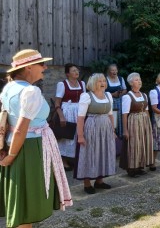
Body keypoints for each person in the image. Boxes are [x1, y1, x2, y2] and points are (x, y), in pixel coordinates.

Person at [0, 49, 72, 228]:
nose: (45, 67)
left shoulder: (9, 87)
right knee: (28, 204)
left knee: (21, 200)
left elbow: (5, 120)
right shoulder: (30, 91)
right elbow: (20, 129)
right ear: (29, 67)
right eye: (41, 64)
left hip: (15, 145)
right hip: (28, 147)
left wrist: (7, 149)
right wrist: (11, 155)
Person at [75, 73, 116, 194]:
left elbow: (110, 114)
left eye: (104, 80)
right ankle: (87, 183)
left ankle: (99, 181)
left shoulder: (108, 95)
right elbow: (81, 118)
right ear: (93, 83)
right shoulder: (86, 96)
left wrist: (113, 130)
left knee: (103, 152)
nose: (103, 83)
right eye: (99, 81)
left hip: (106, 128)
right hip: (91, 127)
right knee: (89, 153)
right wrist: (81, 136)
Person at [120, 73, 155, 177]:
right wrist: (125, 130)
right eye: (136, 80)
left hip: (144, 121)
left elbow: (147, 110)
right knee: (134, 144)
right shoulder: (127, 96)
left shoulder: (144, 95)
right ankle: (131, 169)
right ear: (131, 83)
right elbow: (125, 114)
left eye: (139, 79)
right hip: (133, 121)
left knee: (143, 143)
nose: (139, 81)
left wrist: (149, 124)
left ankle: (140, 166)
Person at [54, 63, 86, 171]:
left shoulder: (82, 83)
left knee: (79, 135)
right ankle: (63, 160)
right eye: (73, 71)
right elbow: (57, 102)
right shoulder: (62, 84)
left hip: (79, 111)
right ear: (67, 74)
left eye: (77, 70)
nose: (76, 72)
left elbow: (84, 100)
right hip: (67, 112)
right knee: (66, 136)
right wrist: (61, 116)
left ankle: (75, 159)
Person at [105, 64, 127, 138]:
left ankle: (121, 136)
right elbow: (102, 92)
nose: (114, 72)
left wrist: (120, 94)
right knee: (112, 118)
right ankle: (112, 135)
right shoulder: (105, 79)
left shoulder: (121, 78)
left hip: (120, 102)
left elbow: (125, 89)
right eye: (112, 70)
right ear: (109, 71)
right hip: (110, 102)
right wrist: (113, 94)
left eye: (115, 70)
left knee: (120, 117)